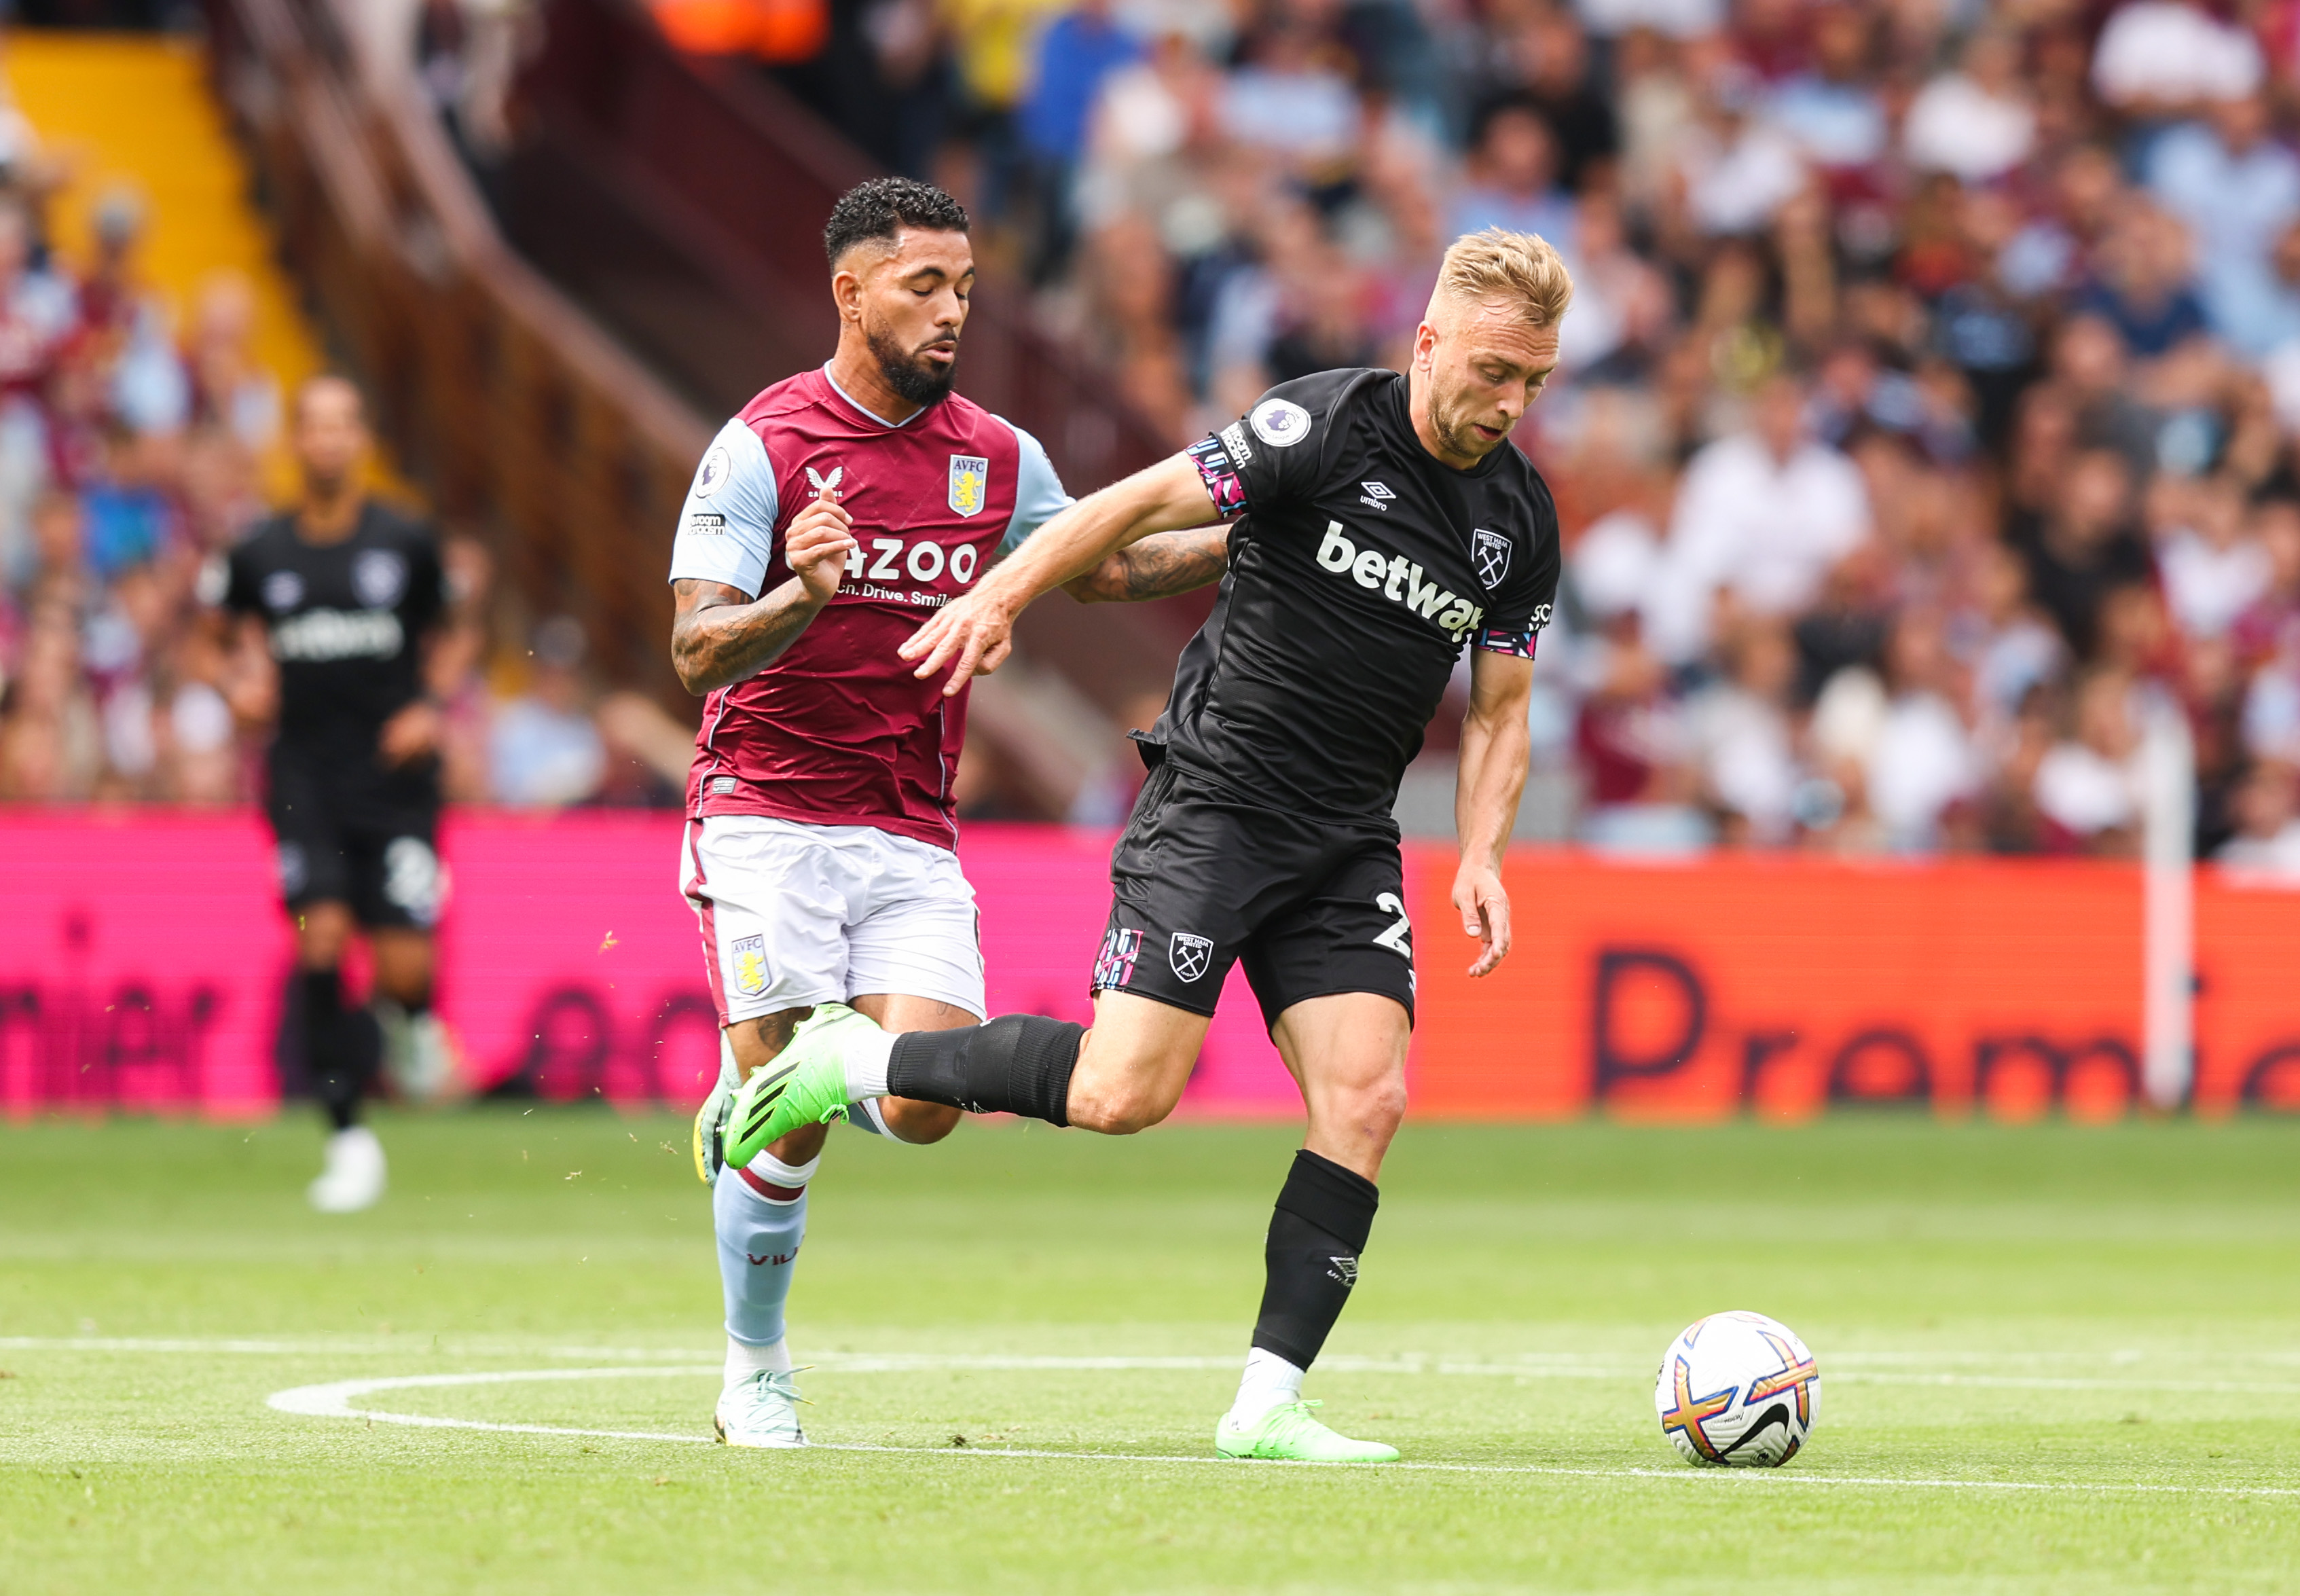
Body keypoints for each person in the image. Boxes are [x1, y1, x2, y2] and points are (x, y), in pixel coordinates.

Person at [723, 226, 1569, 1462]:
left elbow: (1500, 711)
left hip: (1344, 841)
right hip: (1217, 803)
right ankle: (856, 1059)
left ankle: (1266, 1402)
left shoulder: (1519, 521)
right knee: (1123, 1095)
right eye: (1495, 370)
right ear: (1428, 338)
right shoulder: (1320, 428)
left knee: (1368, 1096)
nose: (1512, 402)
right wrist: (996, 594)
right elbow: (1127, 509)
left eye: (1536, 381)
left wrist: (1483, 854)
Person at [673, 177, 1230, 1450]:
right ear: (849, 290)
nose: (951, 313)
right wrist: (798, 601)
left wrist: (1252, 539)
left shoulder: (997, 456)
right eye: (924, 286)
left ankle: (790, 1078)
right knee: (791, 1115)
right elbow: (694, 651)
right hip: (763, 812)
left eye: (965, 290)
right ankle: (753, 1369)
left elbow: (1113, 570)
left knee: (924, 1106)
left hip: (909, 829)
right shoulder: (761, 445)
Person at [211, 377, 456, 1212]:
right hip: (303, 780)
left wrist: (427, 705)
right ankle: (349, 1138)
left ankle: (410, 1021)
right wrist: (237, 682)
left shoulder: (405, 540)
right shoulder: (260, 552)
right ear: (296, 440)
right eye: (313, 426)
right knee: (321, 944)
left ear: (359, 438)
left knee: (405, 969)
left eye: (342, 425)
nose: (328, 440)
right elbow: (214, 641)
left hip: (394, 786)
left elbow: (455, 634)